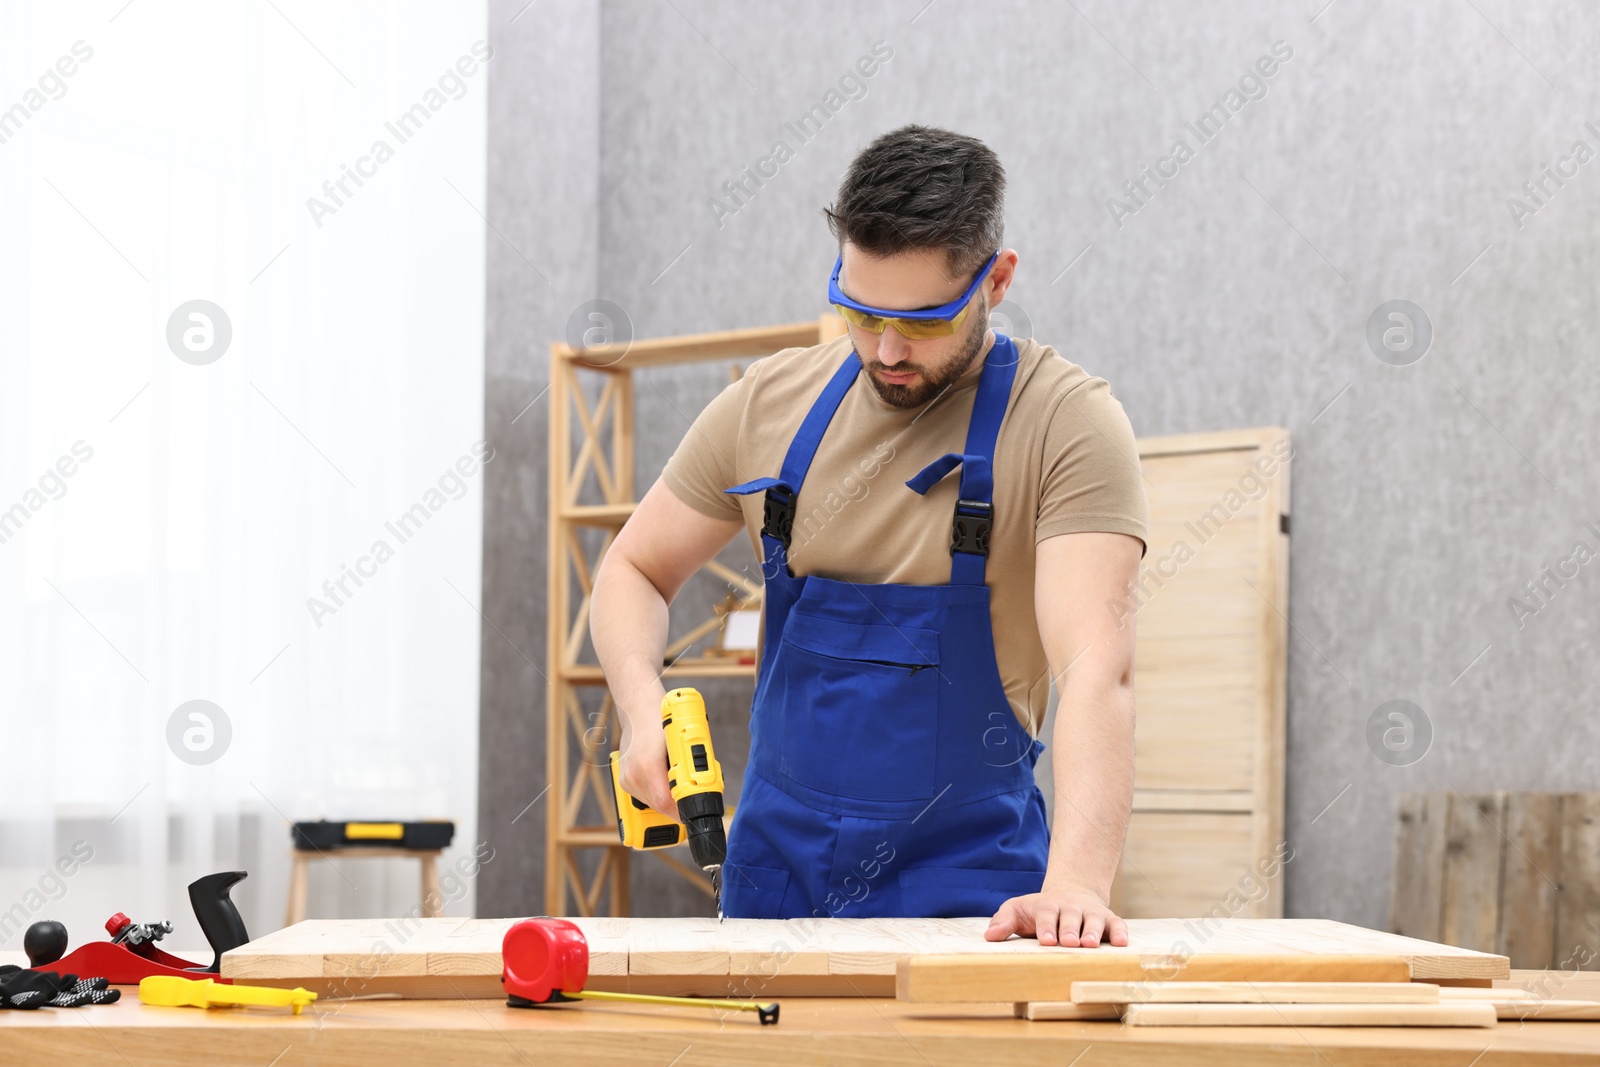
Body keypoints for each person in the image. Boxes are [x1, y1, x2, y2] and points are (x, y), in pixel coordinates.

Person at [591, 124, 1148, 948]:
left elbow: (1099, 669)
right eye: (860, 310)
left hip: (972, 893)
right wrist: (642, 710)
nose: (885, 350)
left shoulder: (1066, 423)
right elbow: (634, 566)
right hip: (772, 881)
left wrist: (1074, 882)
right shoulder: (768, 406)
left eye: (922, 320)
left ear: (996, 279)